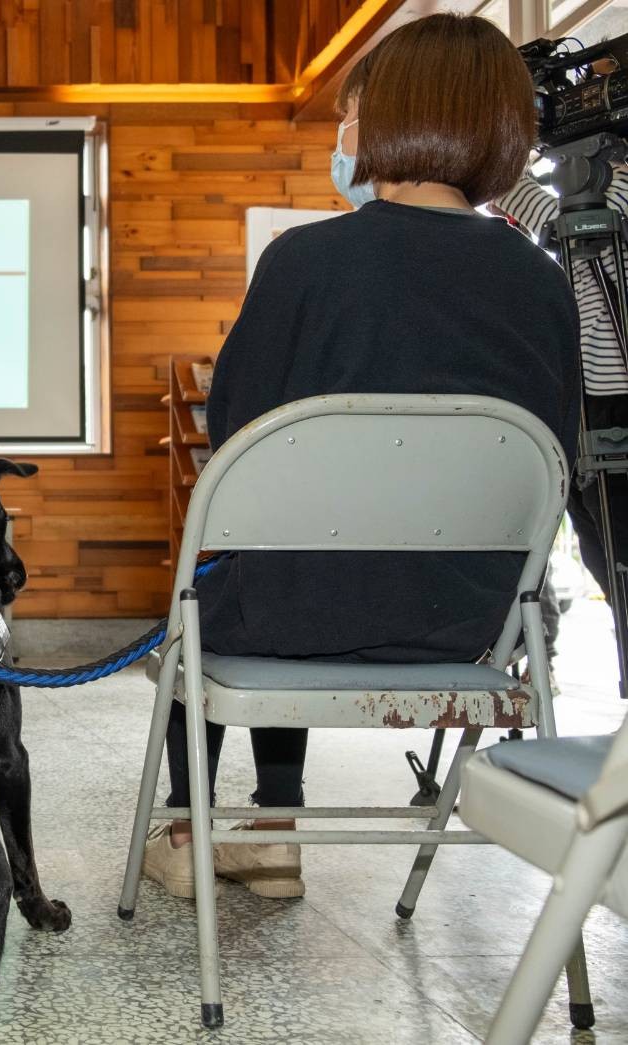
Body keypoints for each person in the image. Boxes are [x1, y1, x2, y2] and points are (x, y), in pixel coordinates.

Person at [140, 14, 580, 901]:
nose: (341, 137)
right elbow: (555, 458)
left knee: (213, 590)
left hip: (296, 617)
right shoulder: (541, 280)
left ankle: (217, 830)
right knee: (258, 570)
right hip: (473, 626)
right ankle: (269, 827)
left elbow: (238, 444)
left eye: (348, 114)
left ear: (385, 119)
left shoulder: (304, 261)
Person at [491, 76, 628, 614]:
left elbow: (569, 221)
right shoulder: (579, 198)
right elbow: (514, 191)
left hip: (611, 399)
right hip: (584, 409)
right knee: (607, 567)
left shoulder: (607, 196)